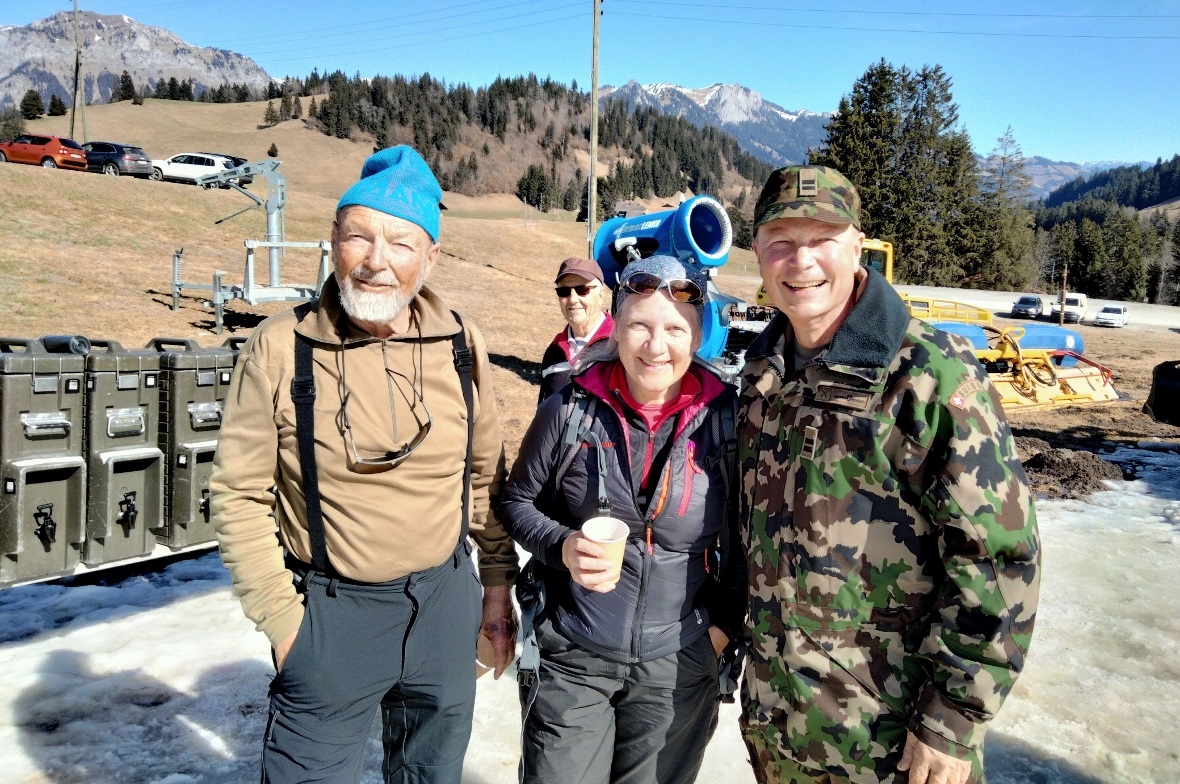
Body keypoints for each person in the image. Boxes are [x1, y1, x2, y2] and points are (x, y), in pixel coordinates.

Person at [209, 145, 519, 783]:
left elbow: (487, 474)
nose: (377, 262)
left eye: (401, 244)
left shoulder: (462, 343)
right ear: (333, 241)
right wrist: (286, 624)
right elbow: (238, 496)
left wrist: (493, 588)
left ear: (430, 257)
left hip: (443, 608)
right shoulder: (278, 346)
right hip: (329, 615)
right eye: (359, 237)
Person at [736, 165, 1040, 784]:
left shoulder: (927, 376)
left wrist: (952, 721)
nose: (801, 261)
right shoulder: (764, 375)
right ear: (759, 255)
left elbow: (999, 557)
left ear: (856, 245)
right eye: (781, 242)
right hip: (781, 730)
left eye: (821, 238)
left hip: (891, 745)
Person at [501, 255, 747, 784]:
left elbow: (750, 540)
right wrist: (562, 546)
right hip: (574, 657)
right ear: (618, 325)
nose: (655, 346)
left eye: (674, 329)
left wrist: (722, 630)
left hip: (679, 665)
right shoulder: (570, 408)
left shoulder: (727, 419)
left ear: (697, 334)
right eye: (639, 325)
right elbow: (516, 502)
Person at [537, 257, 614, 404]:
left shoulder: (620, 345)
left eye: (582, 290)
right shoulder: (554, 352)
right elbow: (543, 410)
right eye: (564, 291)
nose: (572, 299)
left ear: (601, 295)